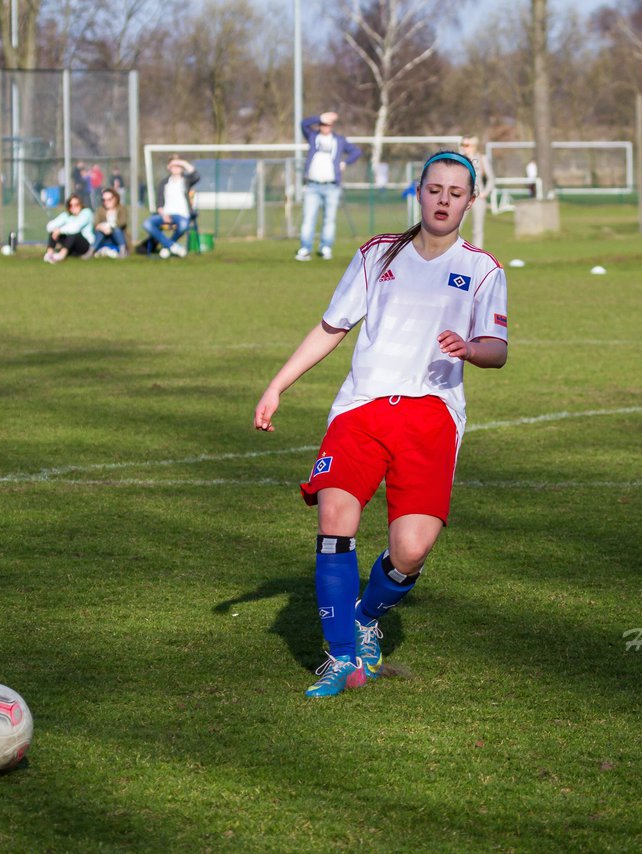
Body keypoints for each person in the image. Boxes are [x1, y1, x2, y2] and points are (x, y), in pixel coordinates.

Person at [254, 151, 509, 697]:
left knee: (412, 548)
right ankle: (341, 657)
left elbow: (497, 349)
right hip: (362, 408)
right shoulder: (376, 254)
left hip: (432, 414)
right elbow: (332, 326)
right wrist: (278, 385)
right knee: (335, 515)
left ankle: (367, 615)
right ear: (418, 192)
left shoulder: (484, 269)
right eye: (434, 189)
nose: (443, 200)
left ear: (470, 200)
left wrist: (470, 349)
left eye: (455, 192)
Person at [296, 111, 362, 261]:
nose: (325, 127)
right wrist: (319, 117)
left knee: (329, 219)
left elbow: (356, 151)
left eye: (327, 124)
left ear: (332, 126)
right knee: (308, 218)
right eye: (322, 124)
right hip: (312, 186)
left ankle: (325, 247)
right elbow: (303, 124)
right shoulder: (313, 137)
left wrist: (345, 163)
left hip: (331, 186)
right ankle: (305, 248)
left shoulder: (339, 140)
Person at [143, 156, 199, 259]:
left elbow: (196, 176)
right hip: (166, 214)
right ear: (169, 167)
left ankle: (167, 247)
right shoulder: (164, 183)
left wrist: (182, 162)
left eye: (178, 166)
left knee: (183, 225)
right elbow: (159, 203)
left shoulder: (186, 181)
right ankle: (172, 246)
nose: (176, 168)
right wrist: (163, 214)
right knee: (147, 224)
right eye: (173, 165)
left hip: (182, 215)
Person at [458, 136, 494, 250]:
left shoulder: (482, 159)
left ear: (474, 146)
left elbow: (491, 179)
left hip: (478, 198)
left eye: (466, 145)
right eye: (462, 145)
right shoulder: (459, 160)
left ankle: (477, 255)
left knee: (477, 230)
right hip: (462, 199)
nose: (464, 148)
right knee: (455, 227)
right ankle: (455, 251)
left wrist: (485, 193)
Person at [44, 194, 93, 263]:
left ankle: (61, 255)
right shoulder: (66, 215)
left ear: (81, 204)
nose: (73, 207)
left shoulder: (86, 212)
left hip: (84, 246)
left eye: (76, 205)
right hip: (71, 245)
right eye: (71, 205)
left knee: (74, 233)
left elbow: (76, 227)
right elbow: (50, 226)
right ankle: (49, 254)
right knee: (54, 231)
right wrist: (56, 230)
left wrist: (60, 230)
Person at [92, 187, 128, 257]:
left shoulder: (121, 209)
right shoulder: (100, 210)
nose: (106, 202)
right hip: (104, 238)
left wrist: (110, 227)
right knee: (100, 231)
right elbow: (95, 223)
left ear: (115, 198)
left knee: (116, 229)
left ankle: (122, 250)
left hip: (118, 238)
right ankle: (91, 250)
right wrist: (102, 228)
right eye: (104, 200)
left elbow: (122, 222)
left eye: (109, 199)